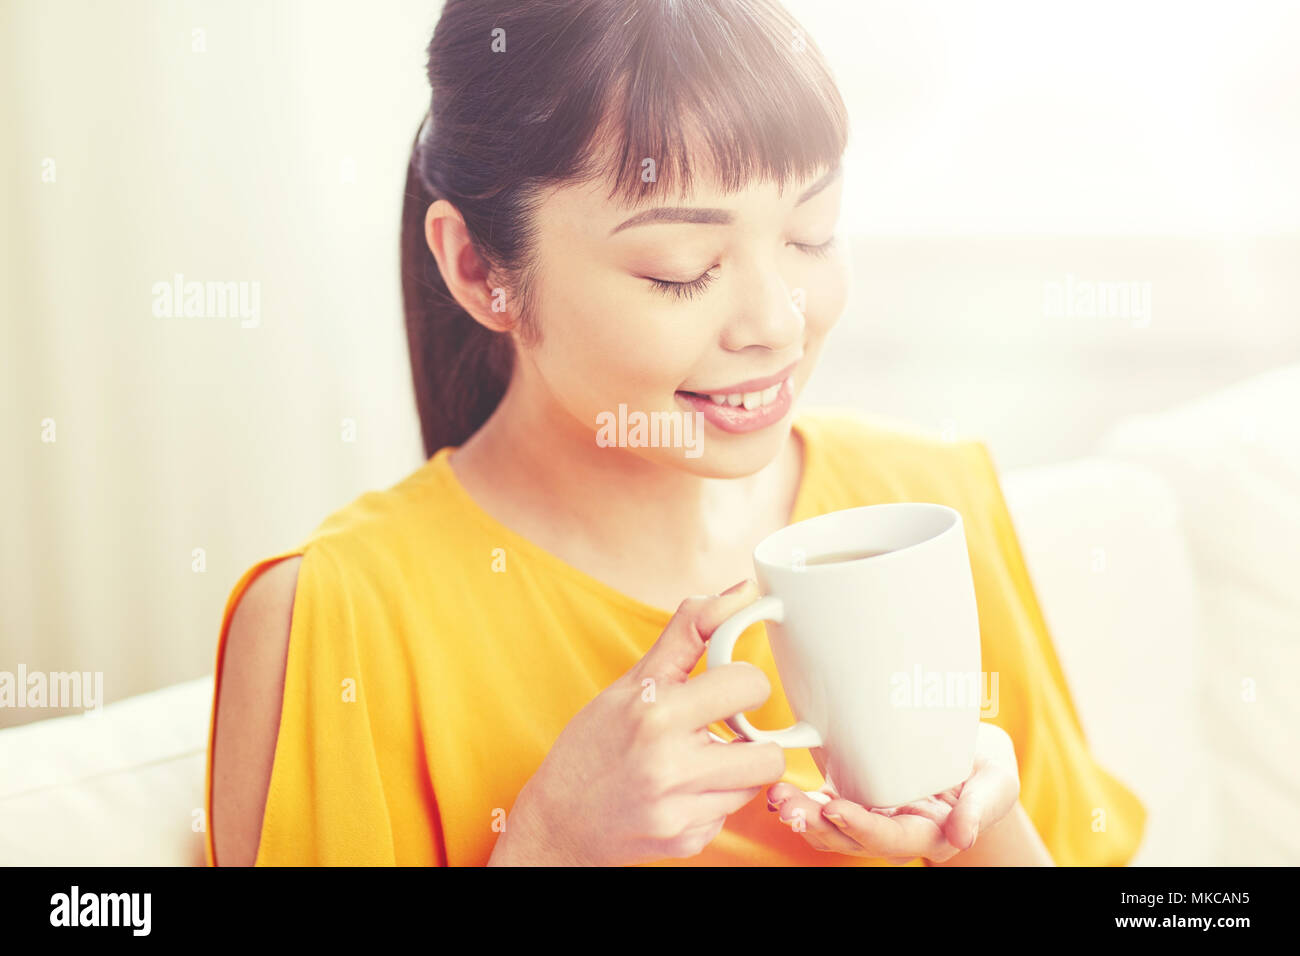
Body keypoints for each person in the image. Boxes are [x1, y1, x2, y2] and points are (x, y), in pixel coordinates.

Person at [206, 0, 1146, 866]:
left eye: (811, 233)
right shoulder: (334, 623)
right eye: (679, 269)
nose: (776, 321)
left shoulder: (929, 510)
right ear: (480, 269)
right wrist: (547, 845)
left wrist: (983, 834)